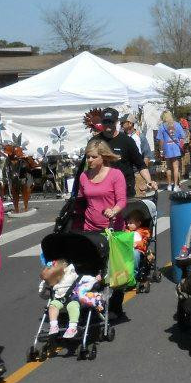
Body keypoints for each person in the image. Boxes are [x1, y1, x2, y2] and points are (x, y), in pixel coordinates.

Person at [77, 138, 129, 321]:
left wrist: (114, 210)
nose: (89, 160)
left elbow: (122, 200)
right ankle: (91, 303)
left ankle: (116, 306)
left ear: (103, 157)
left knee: (114, 271)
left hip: (112, 228)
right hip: (90, 227)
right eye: (87, 157)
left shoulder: (115, 175)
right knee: (91, 270)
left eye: (92, 157)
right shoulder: (84, 176)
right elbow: (81, 201)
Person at [93, 107, 147, 198]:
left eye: (111, 122)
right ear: (101, 122)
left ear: (116, 122)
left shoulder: (127, 141)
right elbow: (89, 165)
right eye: (105, 122)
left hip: (125, 190)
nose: (108, 125)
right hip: (102, 192)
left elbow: (140, 165)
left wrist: (149, 181)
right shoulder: (95, 141)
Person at [157, 110, 187, 192]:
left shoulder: (162, 126)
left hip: (167, 147)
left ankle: (169, 185)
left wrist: (161, 150)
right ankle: (176, 185)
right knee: (176, 167)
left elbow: (161, 140)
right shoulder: (177, 125)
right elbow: (183, 136)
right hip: (175, 147)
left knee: (168, 167)